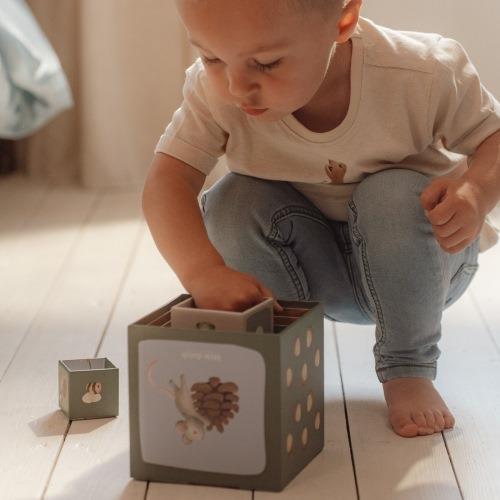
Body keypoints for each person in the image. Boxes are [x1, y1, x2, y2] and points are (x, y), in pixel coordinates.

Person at [142, 0, 500, 438]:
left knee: (388, 194)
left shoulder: (422, 71)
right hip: (314, 268)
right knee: (232, 199)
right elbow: (167, 181)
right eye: (211, 57)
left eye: (267, 63)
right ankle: (278, 354)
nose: (237, 86)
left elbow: (494, 138)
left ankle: (409, 368)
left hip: (424, 262)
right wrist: (203, 271)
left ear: (343, 20)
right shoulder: (213, 92)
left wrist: (476, 191)